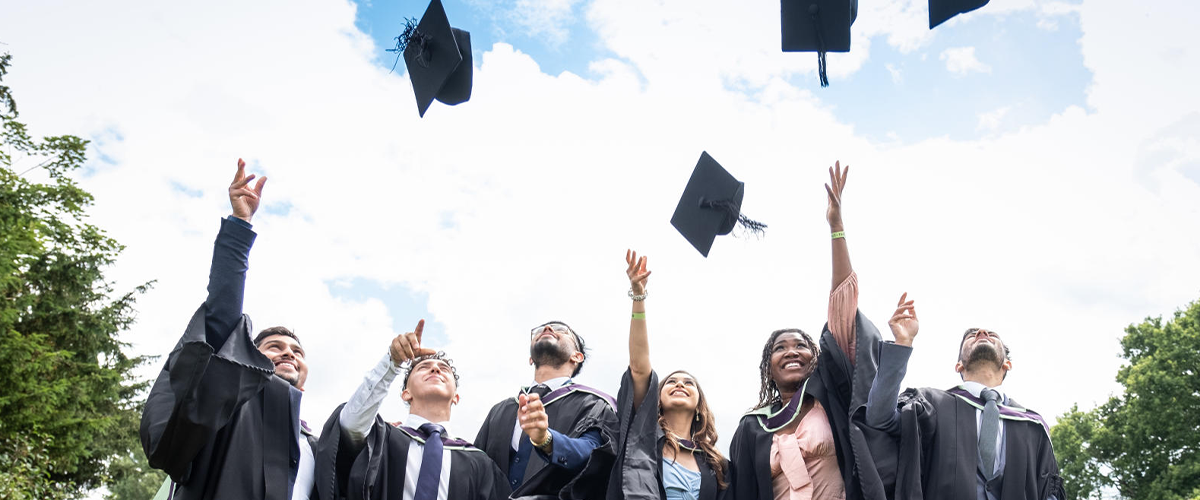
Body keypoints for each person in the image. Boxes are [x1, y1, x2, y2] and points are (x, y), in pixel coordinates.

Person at [141, 159, 317, 500]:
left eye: (297, 351)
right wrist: (239, 227)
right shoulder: (222, 408)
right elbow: (222, 313)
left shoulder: (318, 447)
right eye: (275, 346)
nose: (288, 353)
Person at [728, 161, 889, 500]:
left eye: (800, 345)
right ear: (767, 368)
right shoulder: (751, 428)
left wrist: (836, 227)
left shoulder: (830, 398)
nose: (790, 351)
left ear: (815, 357)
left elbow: (842, 307)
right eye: (780, 348)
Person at [862, 297, 1066, 500]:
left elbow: (1049, 494)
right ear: (959, 365)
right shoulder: (931, 404)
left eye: (991, 334)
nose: (982, 333)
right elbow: (879, 417)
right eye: (971, 337)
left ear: (1007, 364)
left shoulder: (1033, 425)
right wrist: (902, 344)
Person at [314, 319, 511, 500]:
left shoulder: (479, 462)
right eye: (424, 367)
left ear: (456, 397)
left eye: (444, 369)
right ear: (406, 393)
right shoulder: (383, 439)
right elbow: (351, 423)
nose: (435, 369)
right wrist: (392, 363)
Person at [603, 250, 732, 500]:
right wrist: (638, 297)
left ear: (699, 407)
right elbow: (639, 367)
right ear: (656, 399)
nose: (680, 384)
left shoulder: (718, 465)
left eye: (688, 383)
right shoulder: (641, 440)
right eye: (671, 382)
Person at [473, 316, 618, 497]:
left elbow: (593, 455)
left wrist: (546, 440)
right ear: (530, 359)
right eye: (539, 330)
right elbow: (474, 465)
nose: (548, 328)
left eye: (560, 329)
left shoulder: (594, 404)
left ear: (577, 356)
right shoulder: (500, 410)